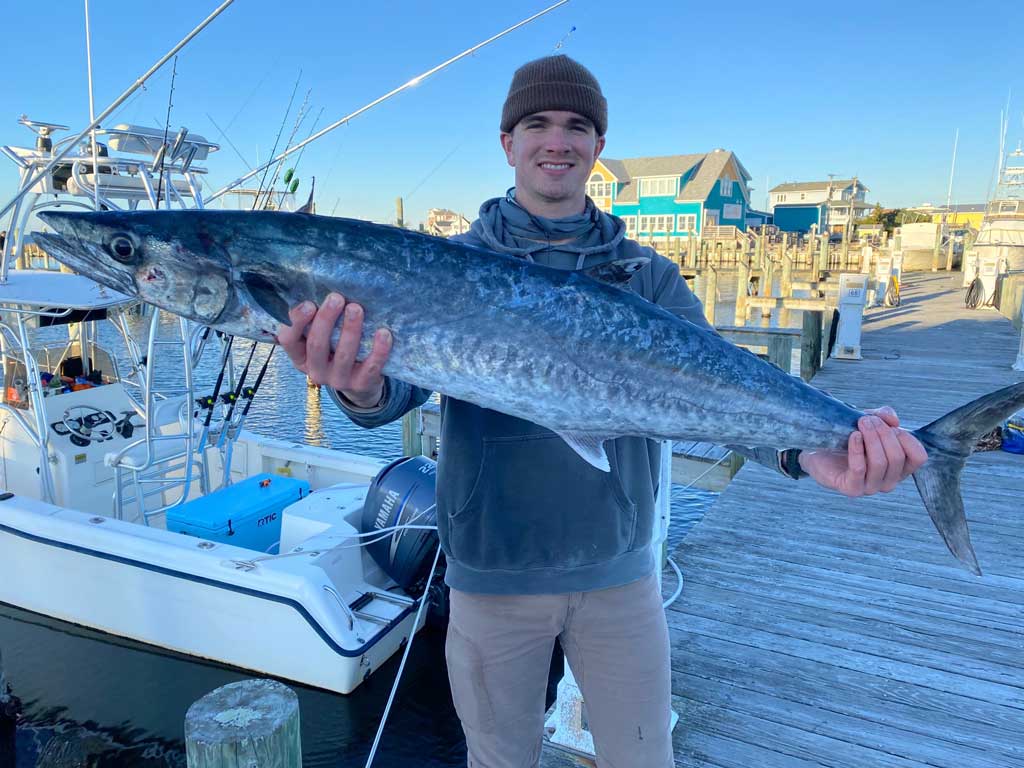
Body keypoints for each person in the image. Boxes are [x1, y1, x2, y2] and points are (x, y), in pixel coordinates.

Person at [278, 56, 927, 768]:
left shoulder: (647, 276)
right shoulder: (440, 268)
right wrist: (356, 385)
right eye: (537, 123)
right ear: (507, 142)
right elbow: (388, 395)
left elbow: (722, 384)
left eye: (577, 126)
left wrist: (808, 449)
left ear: (597, 147)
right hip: (493, 575)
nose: (557, 140)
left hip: (620, 576)